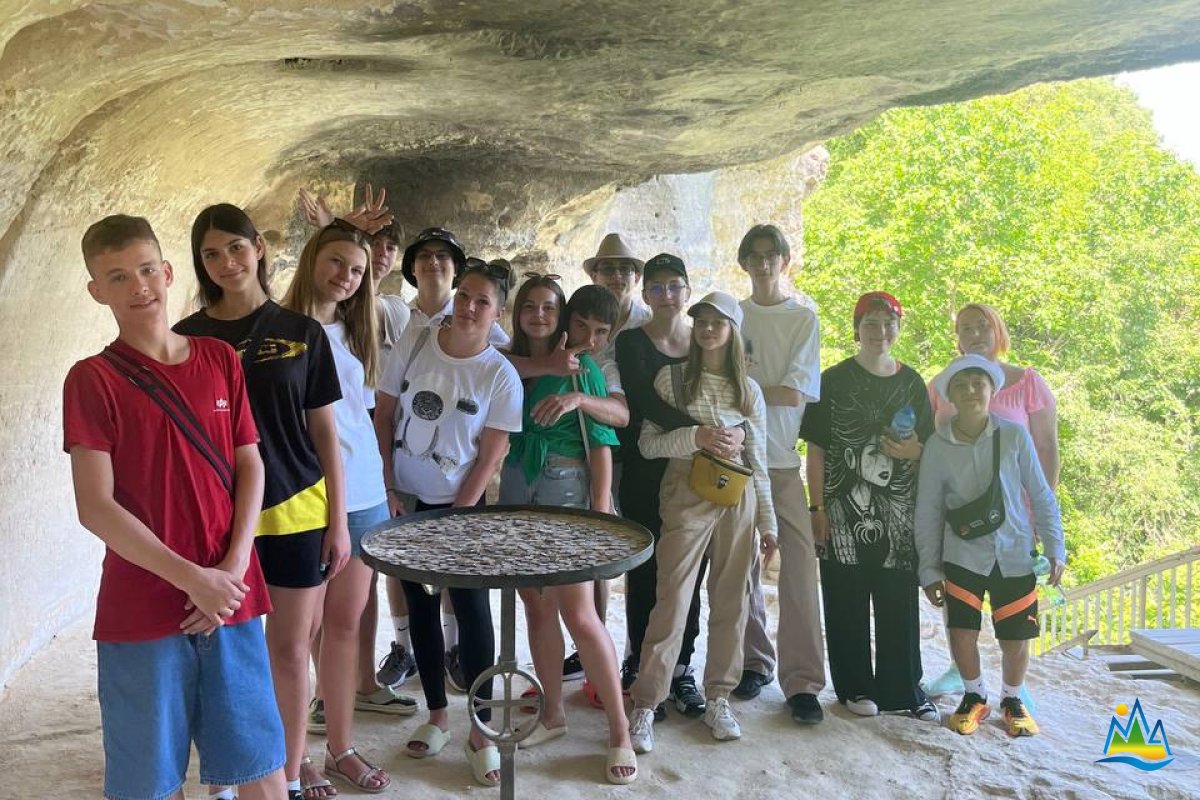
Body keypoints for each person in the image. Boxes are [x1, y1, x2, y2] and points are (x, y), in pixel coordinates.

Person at [65, 215, 287, 800]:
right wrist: (195, 580)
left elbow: (250, 465)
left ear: (166, 272)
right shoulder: (93, 379)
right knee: (150, 781)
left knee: (261, 765)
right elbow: (96, 506)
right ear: (97, 291)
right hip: (144, 603)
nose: (138, 286)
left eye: (146, 269)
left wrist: (231, 570)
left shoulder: (219, 358)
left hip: (231, 593)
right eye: (118, 276)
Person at [175, 204, 347, 800]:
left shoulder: (303, 333)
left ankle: (290, 775)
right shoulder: (186, 339)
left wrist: (339, 522)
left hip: (298, 509)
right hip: (218, 520)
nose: (227, 262)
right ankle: (230, 776)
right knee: (221, 653)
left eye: (236, 247)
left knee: (290, 650)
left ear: (259, 248)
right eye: (211, 254)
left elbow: (325, 433)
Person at [373, 259, 522, 787]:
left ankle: (481, 729)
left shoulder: (499, 375)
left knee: (471, 609)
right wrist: (388, 487)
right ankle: (437, 714)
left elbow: (491, 455)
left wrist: (457, 517)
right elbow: (384, 416)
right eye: (465, 296)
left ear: (497, 313)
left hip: (461, 509)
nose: (469, 308)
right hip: (406, 502)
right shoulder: (416, 344)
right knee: (419, 603)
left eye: (483, 302)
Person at [496, 275, 637, 784]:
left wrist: (598, 510)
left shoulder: (585, 369)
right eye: (582, 325)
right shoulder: (510, 361)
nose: (588, 337)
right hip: (518, 481)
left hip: (563, 486)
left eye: (550, 308)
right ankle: (553, 714)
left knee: (578, 612)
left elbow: (602, 441)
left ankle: (619, 729)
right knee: (535, 605)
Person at [281, 223, 404, 793]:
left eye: (357, 270)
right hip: (305, 495)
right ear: (312, 258)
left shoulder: (359, 330)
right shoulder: (280, 330)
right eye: (335, 262)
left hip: (364, 492)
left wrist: (384, 486)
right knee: (298, 633)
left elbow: (362, 414)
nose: (345, 277)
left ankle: (340, 747)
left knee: (345, 625)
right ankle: (296, 756)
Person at [628, 291, 775, 752]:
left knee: (732, 598)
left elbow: (759, 460)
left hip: (738, 496)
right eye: (703, 321)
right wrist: (697, 437)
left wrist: (768, 524)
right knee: (671, 598)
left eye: (718, 322)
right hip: (685, 492)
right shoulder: (671, 379)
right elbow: (648, 444)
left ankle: (719, 698)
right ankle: (646, 703)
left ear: (733, 330)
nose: (709, 329)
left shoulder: (749, 390)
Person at [799, 292, 937, 722]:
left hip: (899, 510)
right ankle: (854, 686)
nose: (880, 332)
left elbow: (929, 447)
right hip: (841, 509)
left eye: (888, 323)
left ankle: (903, 688)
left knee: (899, 600)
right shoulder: (833, 381)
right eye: (871, 323)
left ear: (899, 328)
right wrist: (816, 508)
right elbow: (816, 450)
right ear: (857, 330)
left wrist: (914, 452)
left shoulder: (912, 382)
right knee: (845, 598)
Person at [915, 354, 1066, 737]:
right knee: (962, 631)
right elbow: (928, 510)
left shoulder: (1014, 436)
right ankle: (974, 695)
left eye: (978, 384)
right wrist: (929, 568)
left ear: (991, 390)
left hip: (1014, 551)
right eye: (961, 385)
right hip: (961, 554)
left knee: (1016, 635)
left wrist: (1055, 547)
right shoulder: (937, 445)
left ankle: (1012, 700)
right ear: (949, 395)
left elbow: (1040, 493)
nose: (970, 391)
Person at [614, 253, 718, 720]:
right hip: (645, 465)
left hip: (694, 472)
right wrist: (700, 432)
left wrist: (710, 436)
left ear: (687, 291)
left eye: (675, 286)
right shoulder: (632, 341)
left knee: (687, 572)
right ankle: (641, 665)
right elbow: (642, 401)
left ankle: (680, 669)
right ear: (645, 294)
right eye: (656, 288)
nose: (667, 295)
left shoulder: (703, 341)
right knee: (645, 569)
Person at [730, 224, 826, 726]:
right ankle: (754, 662)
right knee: (739, 567)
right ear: (744, 262)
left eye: (772, 255)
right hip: (736, 460)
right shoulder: (732, 315)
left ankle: (804, 682)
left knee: (800, 574)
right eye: (755, 255)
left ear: (785, 261)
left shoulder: (802, 319)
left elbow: (794, 394)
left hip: (783, 463)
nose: (764, 263)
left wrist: (744, 387)